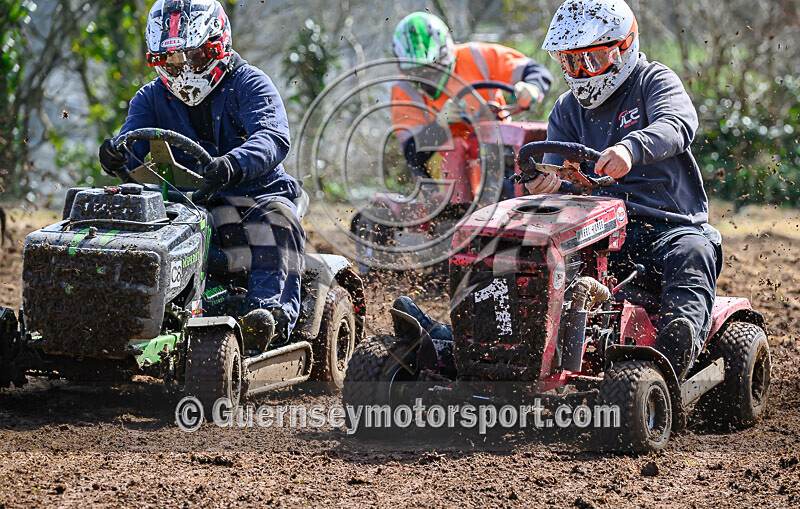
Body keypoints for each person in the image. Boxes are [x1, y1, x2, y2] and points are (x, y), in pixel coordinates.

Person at [526, 0, 722, 380]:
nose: (581, 73)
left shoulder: (653, 81)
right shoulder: (567, 109)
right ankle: (484, 348)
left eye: (592, 61)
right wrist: (544, 181)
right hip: (594, 234)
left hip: (665, 229)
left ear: (623, 48)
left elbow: (678, 123)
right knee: (529, 256)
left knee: (695, 250)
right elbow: (553, 166)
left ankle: (665, 372)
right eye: (570, 62)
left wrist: (630, 149)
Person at [97, 0, 304, 351]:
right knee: (130, 224)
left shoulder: (250, 83)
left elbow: (273, 138)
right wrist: (115, 156)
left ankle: (268, 317)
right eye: (170, 61)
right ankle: (118, 316)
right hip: (192, 208)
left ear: (215, 47)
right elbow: (132, 145)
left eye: (190, 57)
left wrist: (232, 163)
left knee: (278, 220)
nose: (181, 69)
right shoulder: (151, 98)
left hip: (254, 199)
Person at [390, 12, 553, 193]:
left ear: (446, 54)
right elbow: (413, 154)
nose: (427, 78)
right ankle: (459, 212)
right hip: (448, 169)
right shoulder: (403, 91)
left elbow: (535, 70)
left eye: (432, 70)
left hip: (497, 146)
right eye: (418, 72)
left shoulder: (476, 56)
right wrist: (440, 124)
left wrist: (532, 88)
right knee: (455, 149)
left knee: (532, 143)